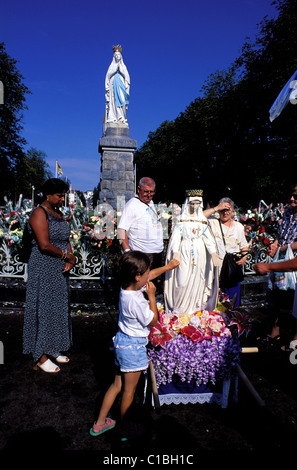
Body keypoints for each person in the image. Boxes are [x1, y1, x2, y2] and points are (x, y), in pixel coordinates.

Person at [89, 251, 179, 440]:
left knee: (115, 386)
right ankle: (124, 428)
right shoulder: (138, 300)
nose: (149, 275)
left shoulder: (126, 287)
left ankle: (99, 423)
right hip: (133, 347)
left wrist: (168, 267)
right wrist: (152, 297)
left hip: (121, 342)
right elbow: (153, 321)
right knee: (129, 392)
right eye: (146, 272)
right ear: (138, 276)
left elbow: (149, 275)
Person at [23, 178, 76, 373]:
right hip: (43, 266)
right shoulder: (39, 213)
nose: (63, 199)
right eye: (59, 195)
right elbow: (44, 244)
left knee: (57, 306)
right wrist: (66, 255)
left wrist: (70, 257)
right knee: (42, 307)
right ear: (47, 195)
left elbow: (66, 238)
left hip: (59, 268)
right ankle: (40, 355)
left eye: (64, 195)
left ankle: (52, 346)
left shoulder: (59, 213)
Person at [164, 189, 221, 315]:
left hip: (200, 254)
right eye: (192, 203)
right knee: (182, 281)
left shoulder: (202, 220)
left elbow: (208, 239)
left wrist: (213, 253)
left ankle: (195, 310)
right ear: (187, 203)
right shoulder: (181, 219)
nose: (195, 206)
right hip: (183, 252)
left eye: (197, 203)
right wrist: (176, 252)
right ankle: (180, 310)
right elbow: (176, 239)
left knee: (198, 280)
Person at [254, 184, 297, 348]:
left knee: (292, 300)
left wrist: (282, 249)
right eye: (291, 195)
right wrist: (274, 245)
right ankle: (275, 332)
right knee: (275, 295)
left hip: (292, 263)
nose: (292, 199)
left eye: (296, 196)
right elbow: (281, 234)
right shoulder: (287, 212)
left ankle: (292, 340)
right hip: (280, 258)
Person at [208, 197, 249, 307]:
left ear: (233, 212)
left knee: (232, 302)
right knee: (217, 303)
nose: (225, 213)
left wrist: (243, 258)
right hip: (216, 269)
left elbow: (244, 246)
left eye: (228, 210)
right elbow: (199, 216)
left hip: (232, 268)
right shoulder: (213, 222)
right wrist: (217, 208)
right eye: (223, 210)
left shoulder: (238, 226)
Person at [117, 177, 164, 270]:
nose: (149, 195)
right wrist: (127, 252)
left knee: (153, 284)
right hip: (141, 254)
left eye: (152, 192)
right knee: (141, 283)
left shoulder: (150, 202)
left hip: (157, 253)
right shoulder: (132, 205)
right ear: (138, 189)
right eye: (146, 191)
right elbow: (121, 230)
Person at [105, 45, 130, 124]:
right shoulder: (112, 66)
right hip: (113, 87)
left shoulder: (123, 66)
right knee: (114, 102)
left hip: (121, 86)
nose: (117, 57)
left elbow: (127, 78)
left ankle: (122, 118)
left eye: (118, 55)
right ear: (114, 57)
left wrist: (121, 72)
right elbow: (107, 76)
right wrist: (114, 71)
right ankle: (114, 117)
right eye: (116, 55)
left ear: (121, 56)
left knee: (122, 100)